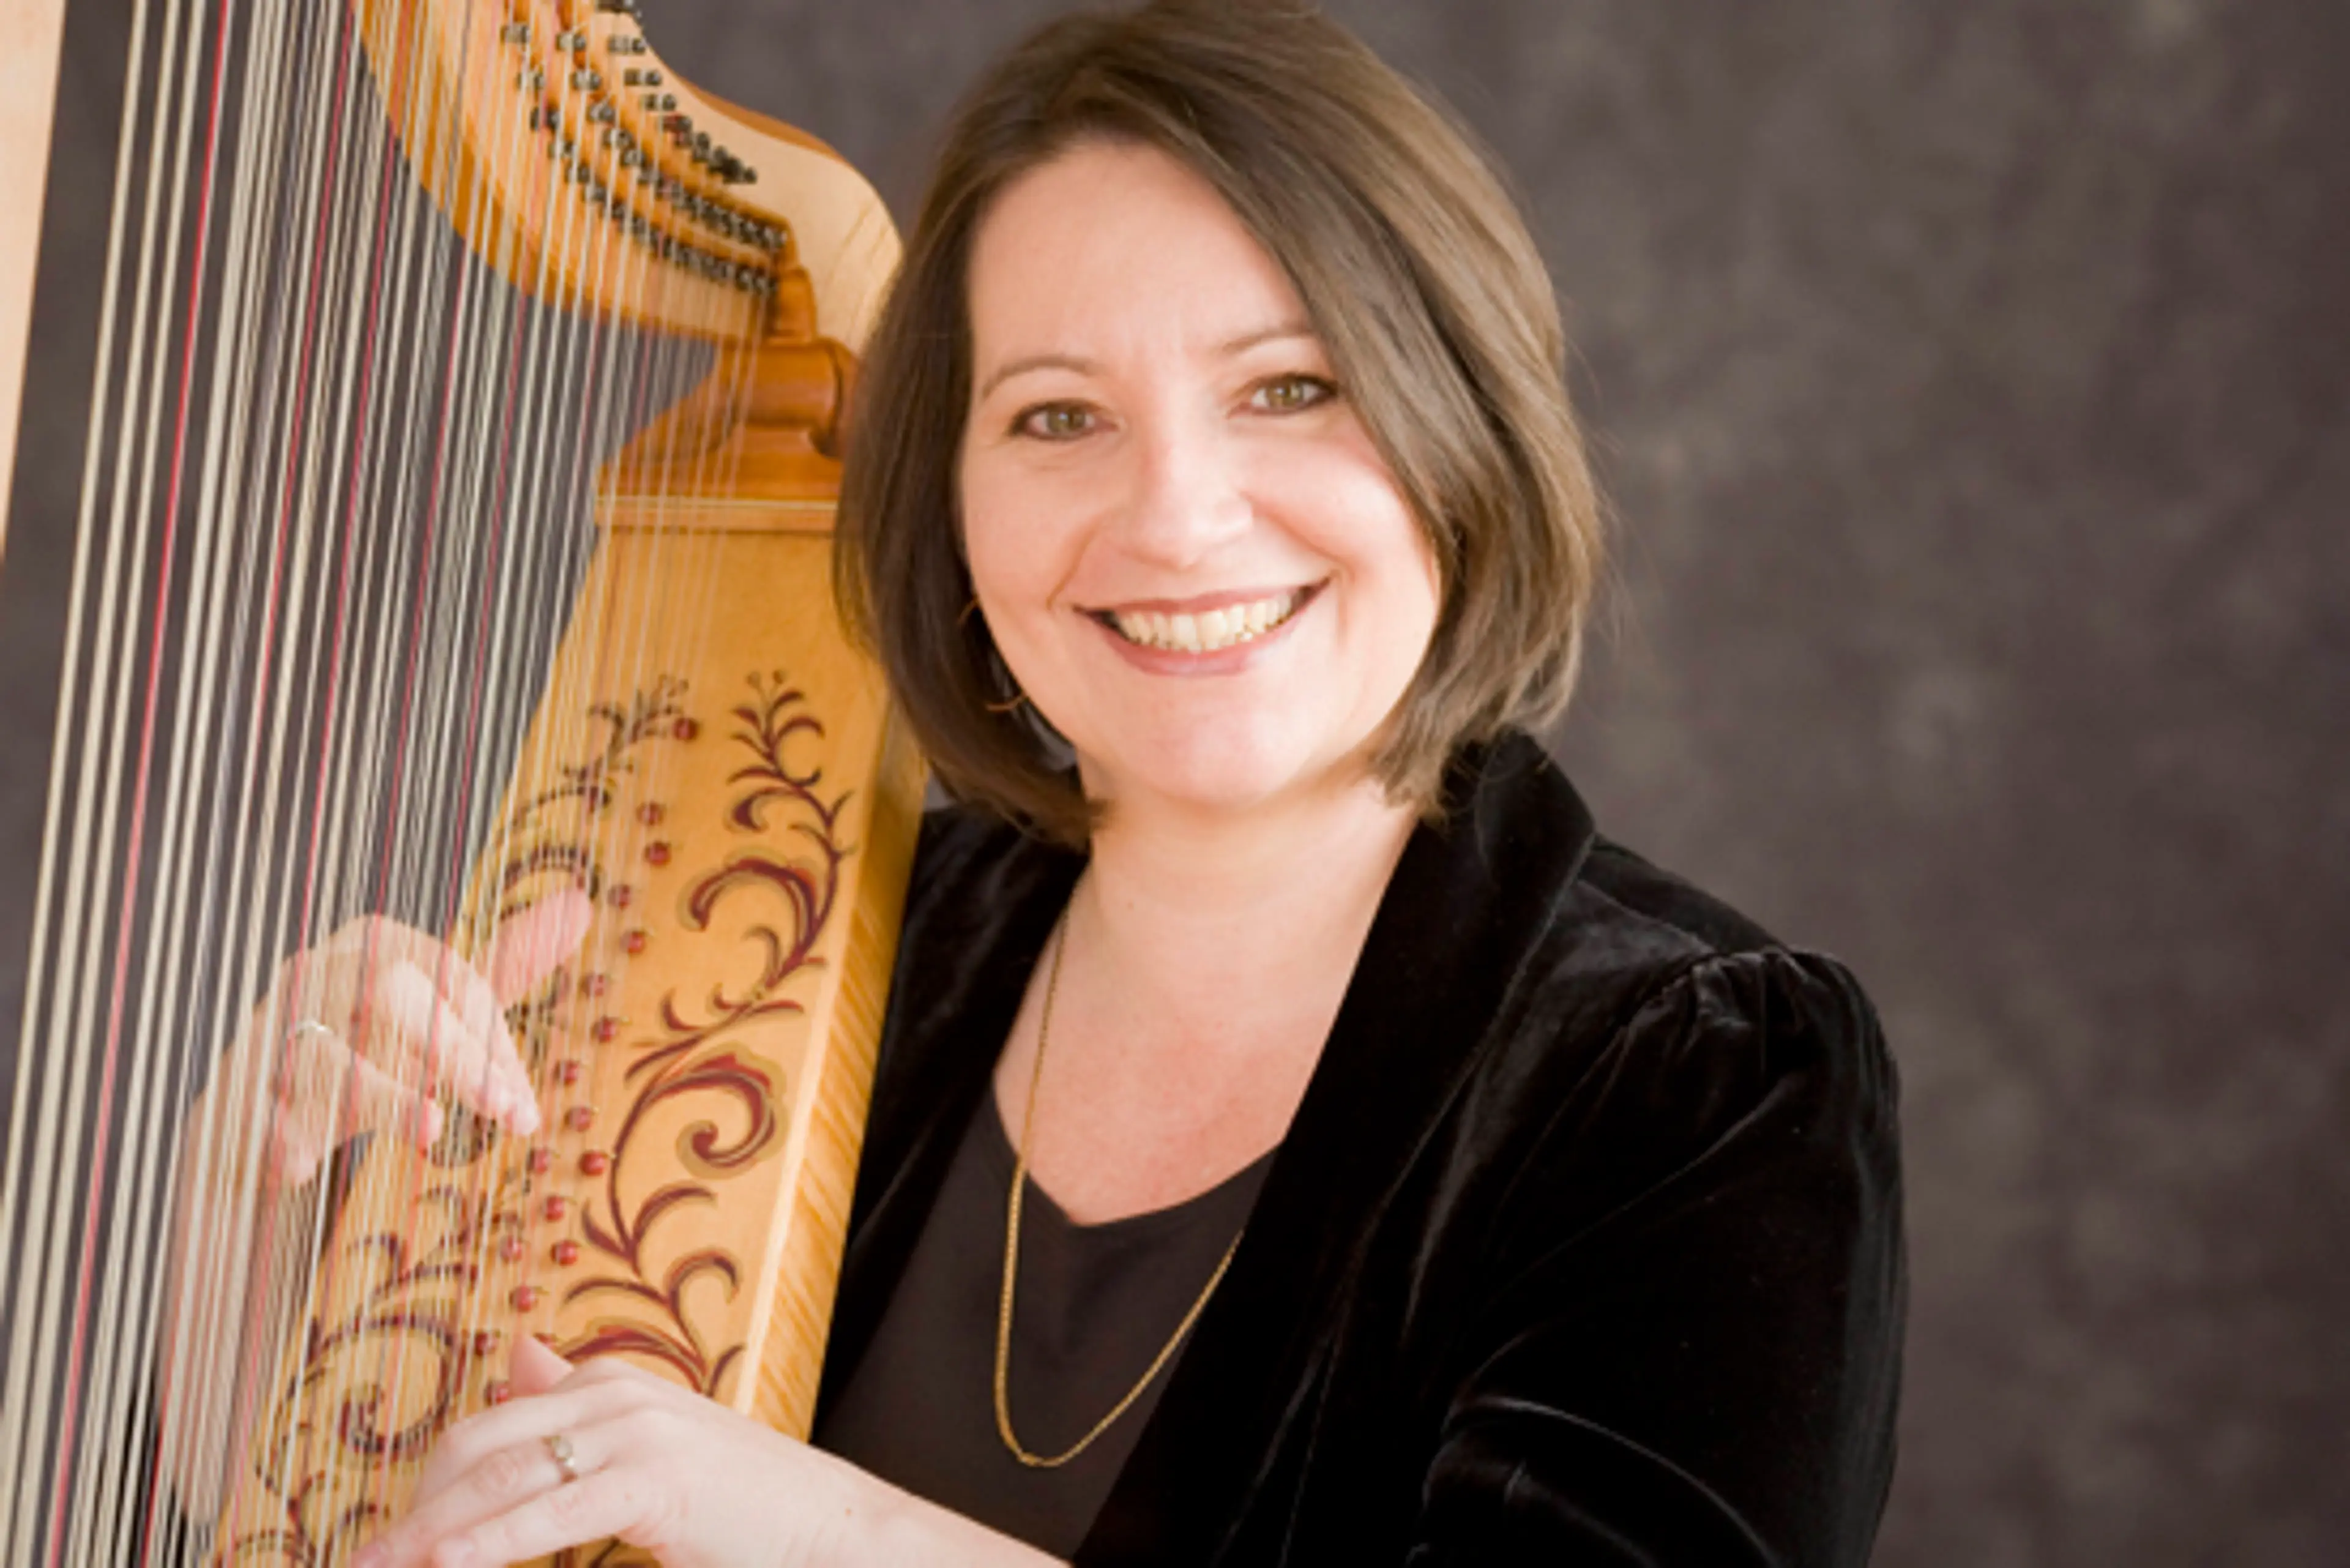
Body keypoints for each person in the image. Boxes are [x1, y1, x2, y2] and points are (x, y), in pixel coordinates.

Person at [320, 2, 1903, 1562]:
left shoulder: (1699, 1075)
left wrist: (803, 1528)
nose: (1175, 519)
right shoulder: (795, 926)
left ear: (1460, 426)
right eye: (1059, 416)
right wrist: (268, 1233)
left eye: (1288, 388)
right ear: (953, 507)